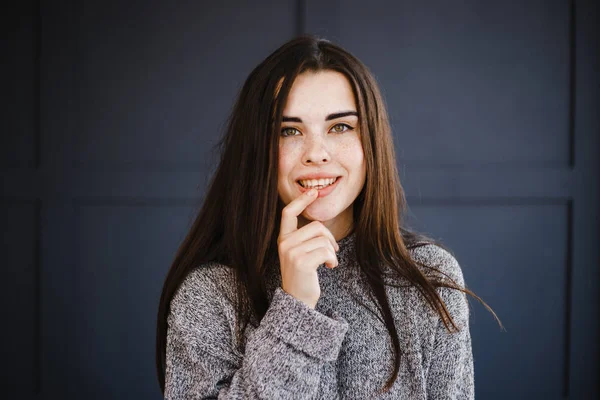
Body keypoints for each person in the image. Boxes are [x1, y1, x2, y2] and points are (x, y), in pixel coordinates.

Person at [155, 35, 498, 399]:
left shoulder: (430, 278)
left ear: (372, 143)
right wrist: (295, 310)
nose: (316, 153)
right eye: (289, 131)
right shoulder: (210, 295)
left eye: (340, 127)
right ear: (258, 150)